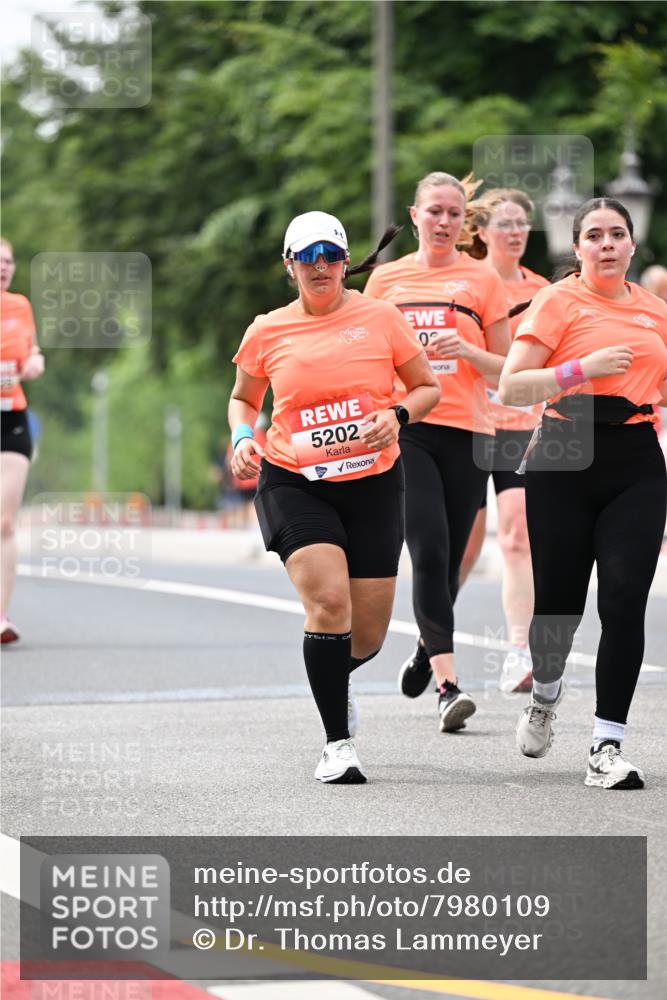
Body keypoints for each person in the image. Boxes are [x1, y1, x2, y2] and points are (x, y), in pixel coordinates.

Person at [228, 211, 440, 784]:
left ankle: (334, 682)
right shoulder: (267, 330)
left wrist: (395, 416)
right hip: (294, 481)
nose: (320, 266)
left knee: (366, 635)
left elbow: (427, 387)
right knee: (328, 605)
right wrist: (243, 437)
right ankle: (337, 745)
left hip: (373, 482)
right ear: (289, 266)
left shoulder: (381, 317)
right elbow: (244, 401)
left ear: (346, 262)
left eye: (331, 254)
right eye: (307, 256)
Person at [499, 197, 667, 789]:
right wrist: (582, 368)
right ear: (577, 248)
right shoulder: (558, 301)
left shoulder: (654, 311)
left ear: (631, 245)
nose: (606, 244)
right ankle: (545, 696)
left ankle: (606, 743)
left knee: (624, 599)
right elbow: (511, 387)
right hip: (564, 452)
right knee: (559, 608)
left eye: (616, 234)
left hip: (636, 458)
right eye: (593, 235)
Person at [364, 172, 510, 732]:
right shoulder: (386, 281)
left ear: (464, 219)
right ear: (415, 215)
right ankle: (449, 687)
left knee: (450, 562)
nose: (444, 221)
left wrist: (466, 348)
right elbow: (367, 357)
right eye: (434, 211)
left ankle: (429, 646)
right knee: (427, 549)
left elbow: (505, 368)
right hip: (410, 429)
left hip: (472, 431)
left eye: (454, 212)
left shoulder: (484, 280)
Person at [459, 188, 549, 693]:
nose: (515, 232)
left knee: (517, 535)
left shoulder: (542, 290)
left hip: (519, 426)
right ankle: (433, 638)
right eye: (505, 223)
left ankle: (519, 652)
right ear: (483, 232)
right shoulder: (466, 284)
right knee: (465, 549)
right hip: (470, 424)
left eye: (522, 223)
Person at [1, 238, 45, 643]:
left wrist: (33, 363)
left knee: (6, 521)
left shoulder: (20, 306)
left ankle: (1, 617)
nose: (4, 268)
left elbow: (33, 352)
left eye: (9, 262)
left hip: (11, 416)